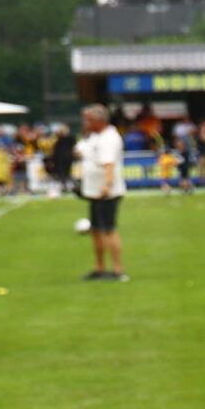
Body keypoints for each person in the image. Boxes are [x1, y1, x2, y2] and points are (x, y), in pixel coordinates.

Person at [75, 105, 128, 281]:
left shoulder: (109, 138)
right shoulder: (94, 137)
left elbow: (109, 164)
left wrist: (107, 184)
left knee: (108, 229)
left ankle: (117, 270)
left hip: (105, 191)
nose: (86, 123)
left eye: (89, 120)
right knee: (96, 230)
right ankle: (99, 267)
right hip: (93, 190)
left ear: (98, 121)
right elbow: (79, 150)